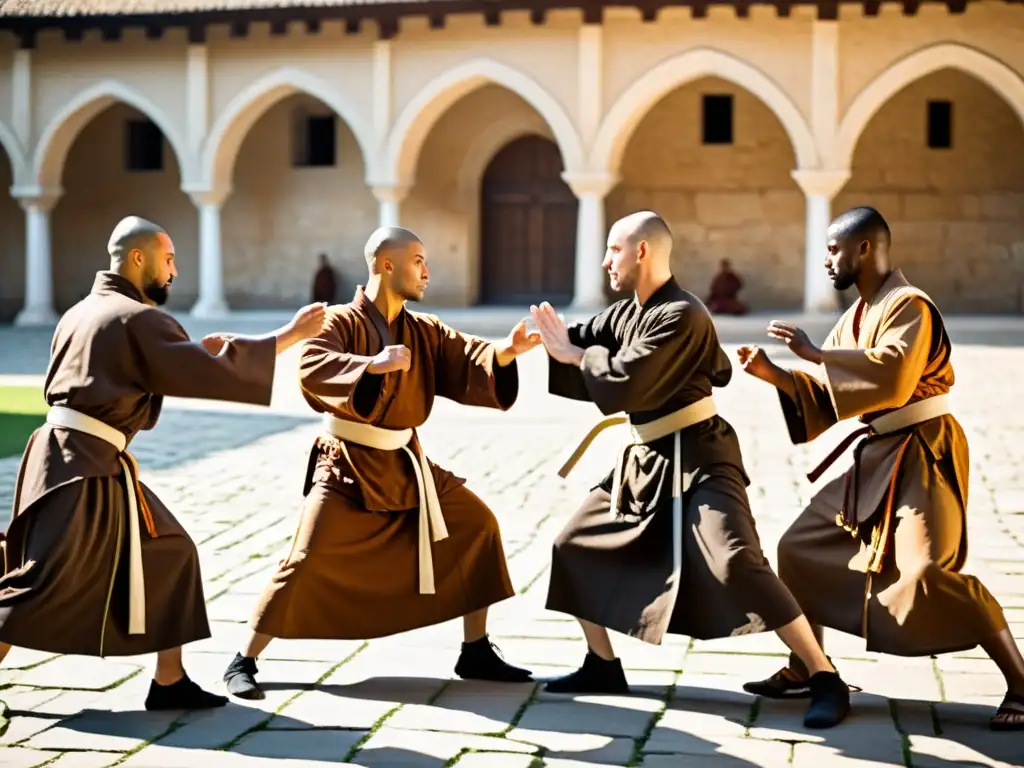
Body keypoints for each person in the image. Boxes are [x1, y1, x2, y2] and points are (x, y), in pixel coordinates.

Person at [530, 211, 851, 729]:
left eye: (613, 250)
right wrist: (539, 342)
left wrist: (573, 354)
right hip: (645, 460)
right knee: (572, 545)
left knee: (736, 561)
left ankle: (823, 675)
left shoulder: (682, 313)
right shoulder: (625, 313)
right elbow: (577, 337)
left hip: (701, 455)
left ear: (641, 252)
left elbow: (629, 379)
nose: (605, 261)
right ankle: (602, 664)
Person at [0, 216, 326, 710]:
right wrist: (291, 334)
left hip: (72, 461)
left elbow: (132, 370)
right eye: (168, 258)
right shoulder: (137, 318)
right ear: (138, 258)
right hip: (83, 470)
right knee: (37, 582)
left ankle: (169, 681)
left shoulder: (80, 312)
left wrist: (193, 355)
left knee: (169, 551)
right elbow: (208, 373)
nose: (174, 271)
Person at [736, 206, 1024, 732]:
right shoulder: (857, 315)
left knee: (928, 573)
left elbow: (891, 376)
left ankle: (1021, 681)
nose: (826, 260)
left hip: (923, 453)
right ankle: (807, 664)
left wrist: (817, 354)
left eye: (833, 249)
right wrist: (775, 374)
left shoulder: (910, 306)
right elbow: (840, 397)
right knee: (797, 548)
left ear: (864, 248)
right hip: (877, 456)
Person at [223, 226, 540, 700]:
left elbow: (467, 354)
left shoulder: (423, 328)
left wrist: (506, 351)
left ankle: (475, 649)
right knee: (307, 559)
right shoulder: (339, 321)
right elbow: (311, 365)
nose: (427, 271)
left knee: (478, 525)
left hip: (407, 463)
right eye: (418, 260)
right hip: (347, 464)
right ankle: (243, 658)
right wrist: (370, 366)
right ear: (386, 266)